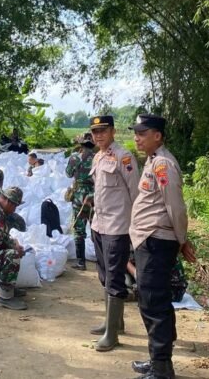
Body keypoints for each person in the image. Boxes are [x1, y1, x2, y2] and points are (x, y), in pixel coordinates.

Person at [128, 114, 196, 379]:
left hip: (158, 242)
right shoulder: (154, 161)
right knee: (149, 301)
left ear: (157, 135)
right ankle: (156, 359)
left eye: (142, 133)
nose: (137, 137)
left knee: (155, 303)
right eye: (135, 132)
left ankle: (162, 368)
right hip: (149, 241)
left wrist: (182, 240)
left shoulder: (163, 164)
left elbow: (176, 208)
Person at [87, 115, 140, 351]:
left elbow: (136, 194)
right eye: (95, 132)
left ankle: (112, 335)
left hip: (117, 227)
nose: (98, 135)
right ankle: (114, 323)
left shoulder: (124, 157)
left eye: (103, 131)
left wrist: (136, 227)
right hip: (99, 225)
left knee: (115, 278)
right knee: (104, 275)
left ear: (113, 132)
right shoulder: (98, 156)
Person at [66, 132, 95, 271]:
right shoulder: (98, 158)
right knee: (97, 228)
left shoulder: (75, 157)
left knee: (79, 229)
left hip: (79, 196)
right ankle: (102, 261)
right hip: (95, 195)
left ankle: (81, 262)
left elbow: (68, 173)